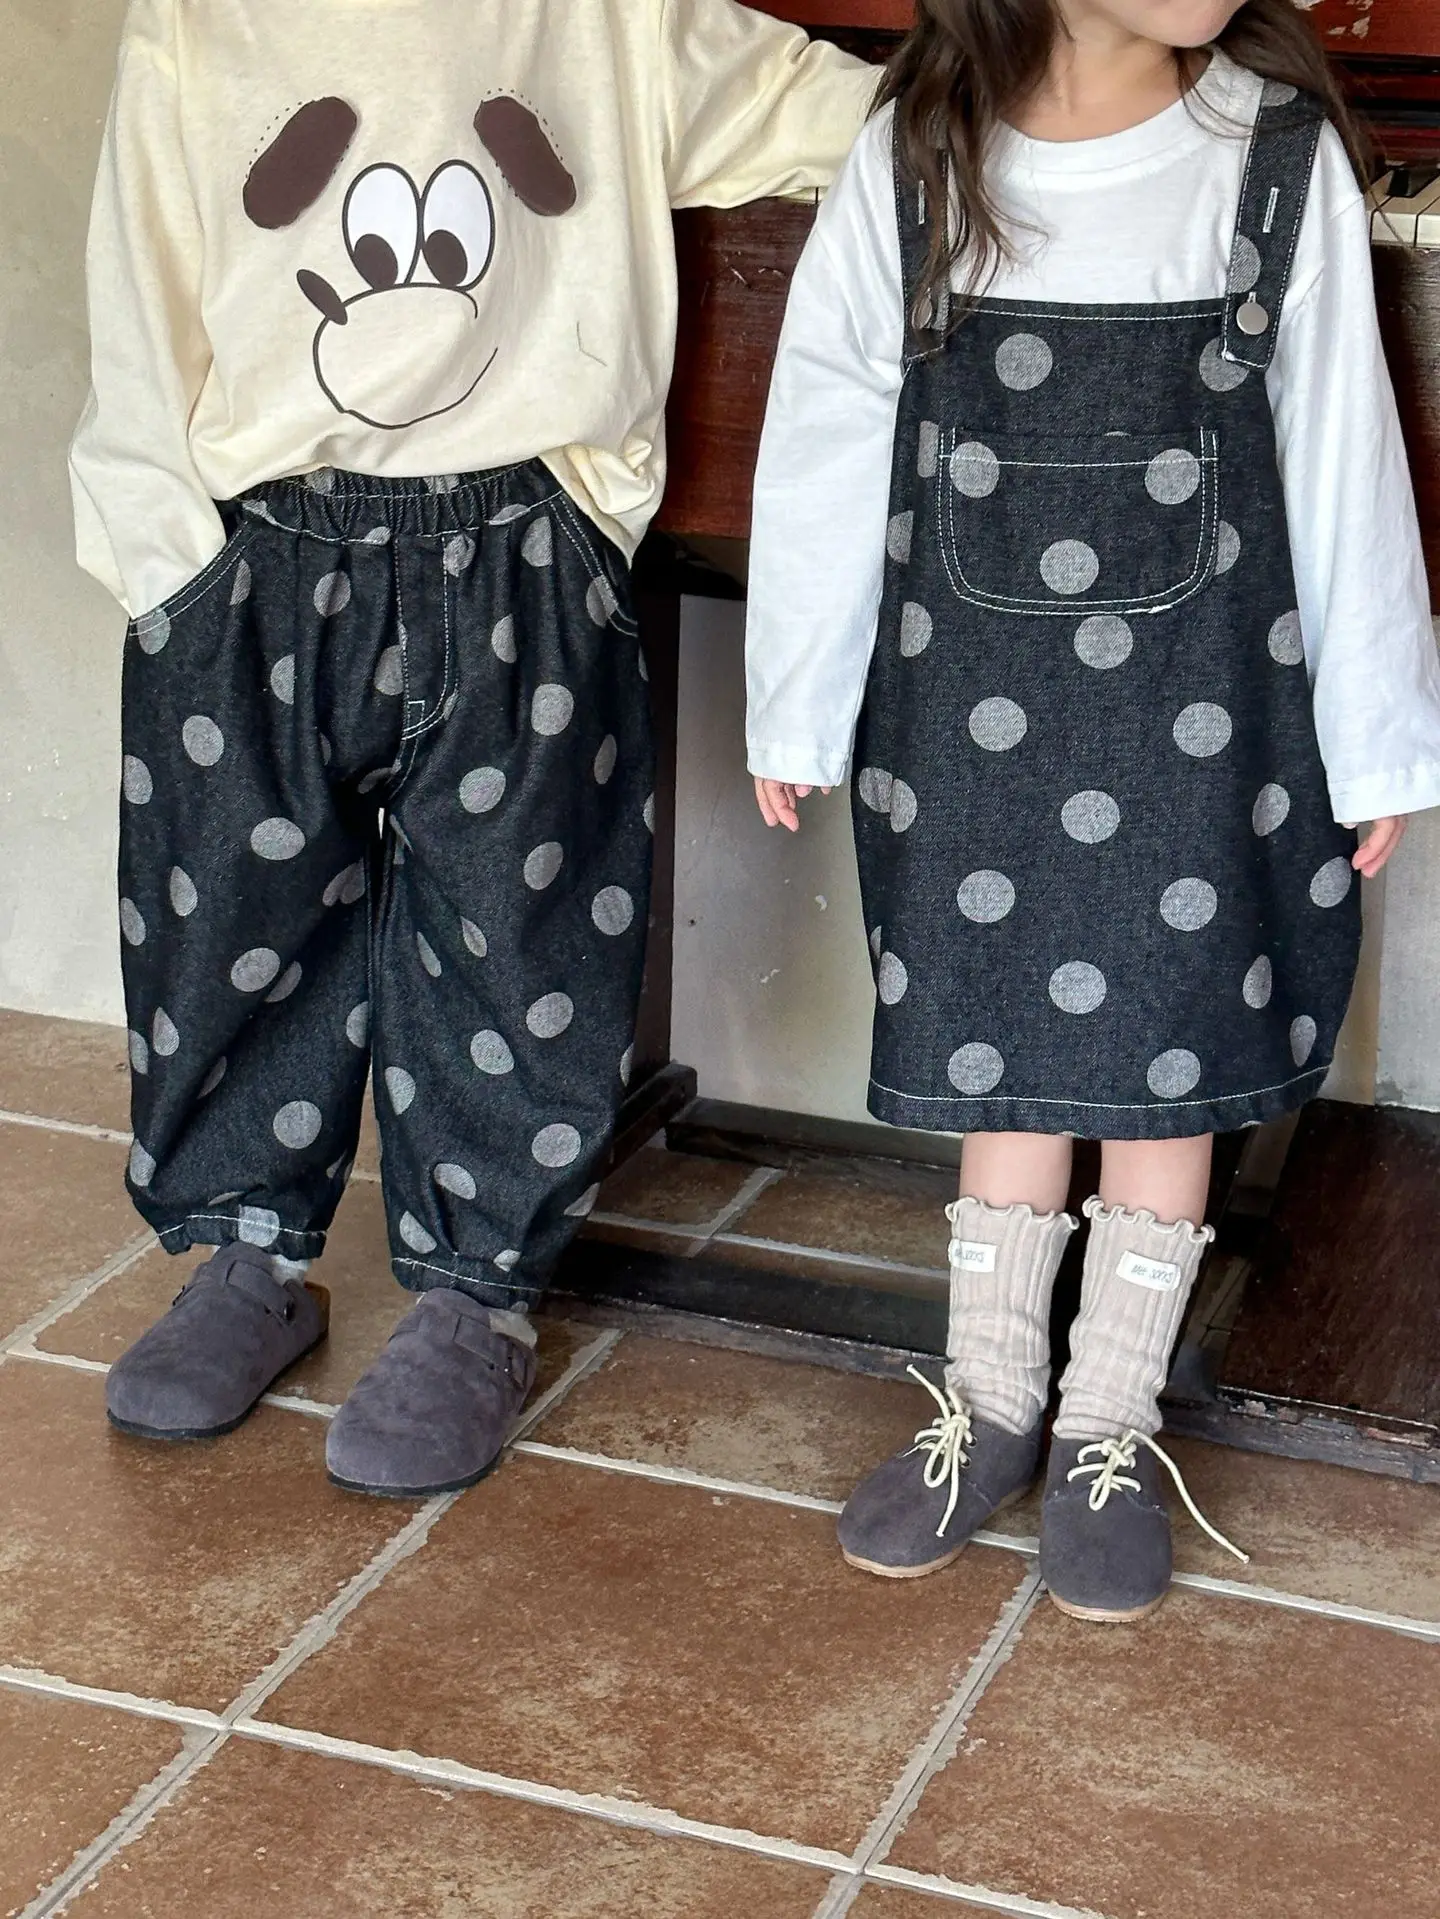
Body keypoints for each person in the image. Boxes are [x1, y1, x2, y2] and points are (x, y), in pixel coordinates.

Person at [71, 0, 877, 1497]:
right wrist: (166, 564)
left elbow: (823, 104)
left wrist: (1057, 87)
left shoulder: (607, 16)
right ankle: (246, 1252)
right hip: (255, 548)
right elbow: (137, 287)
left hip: (526, 550)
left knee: (523, 933)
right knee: (225, 925)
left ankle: (476, 1294)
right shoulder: (198, 19)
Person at [745, 0, 1440, 1620]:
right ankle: (990, 1398)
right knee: (999, 1038)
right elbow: (831, 431)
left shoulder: (1270, 160)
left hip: (1208, 710)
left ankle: (1107, 1425)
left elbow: (1344, 458)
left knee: (1170, 1053)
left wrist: (1378, 740)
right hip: (969, 710)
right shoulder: (920, 156)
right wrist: (796, 696)